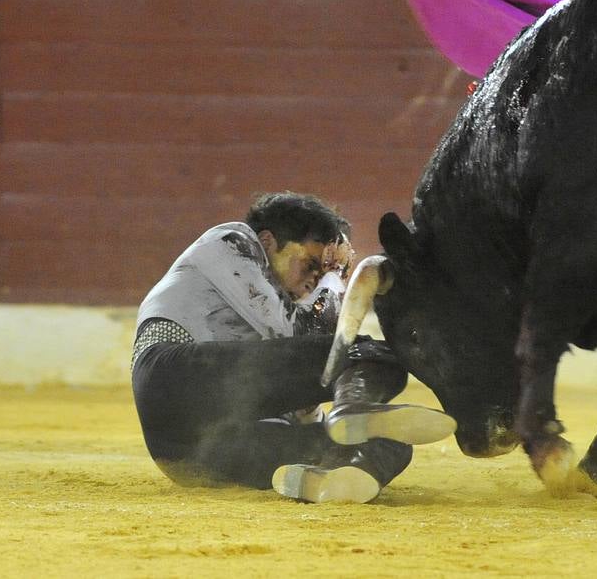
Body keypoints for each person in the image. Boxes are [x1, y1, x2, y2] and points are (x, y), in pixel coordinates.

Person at [130, 192, 456, 504]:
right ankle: (353, 407)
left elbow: (306, 387)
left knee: (391, 443)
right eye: (312, 264)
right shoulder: (233, 239)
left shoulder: (279, 320)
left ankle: (334, 479)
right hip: (173, 378)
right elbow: (302, 334)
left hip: (191, 454)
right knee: (373, 352)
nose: (315, 278)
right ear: (269, 242)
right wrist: (335, 279)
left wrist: (341, 443)